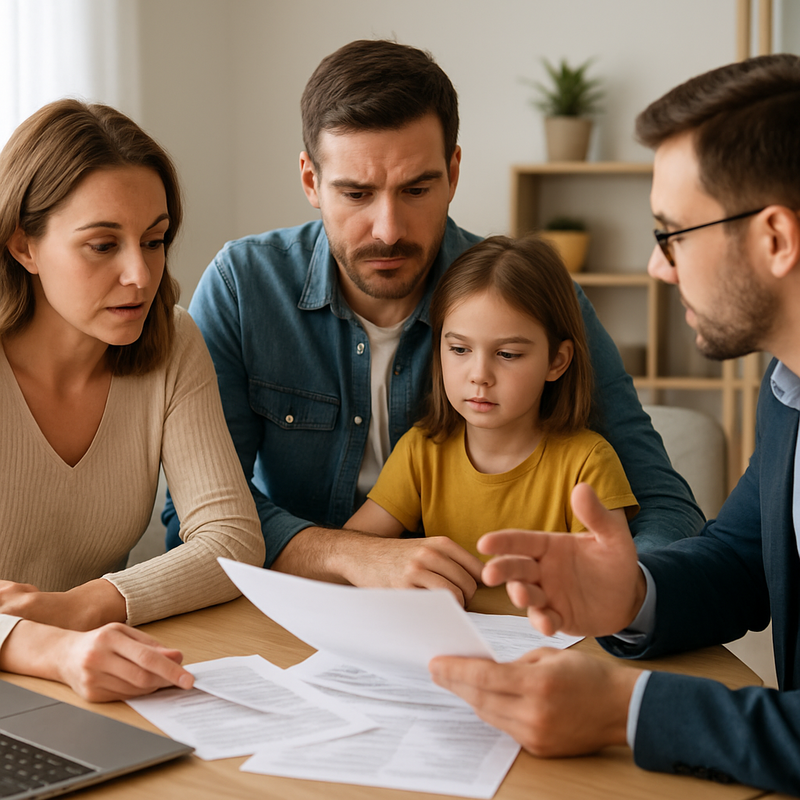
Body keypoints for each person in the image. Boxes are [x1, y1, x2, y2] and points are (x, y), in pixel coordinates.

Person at [162, 39, 702, 604]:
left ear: (453, 171)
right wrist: (355, 557)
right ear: (310, 181)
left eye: (417, 189)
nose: (388, 228)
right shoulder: (243, 286)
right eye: (357, 193)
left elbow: (666, 506)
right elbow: (198, 515)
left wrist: (618, 588)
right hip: (293, 613)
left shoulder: (532, 296)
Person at [429, 53, 800, 796]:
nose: (658, 268)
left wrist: (624, 711)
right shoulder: (788, 383)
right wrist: (631, 594)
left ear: (775, 239)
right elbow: (743, 557)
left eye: (672, 234)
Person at [0, 99, 265, 702]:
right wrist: (49, 644)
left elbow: (230, 540)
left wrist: (82, 608)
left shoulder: (171, 342)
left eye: (154, 240)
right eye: (102, 245)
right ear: (25, 247)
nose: (140, 275)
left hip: (86, 680)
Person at [345, 235, 637, 601]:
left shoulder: (587, 464)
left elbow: (613, 594)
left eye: (508, 354)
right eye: (460, 349)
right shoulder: (421, 451)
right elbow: (354, 550)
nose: (479, 374)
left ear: (557, 361)